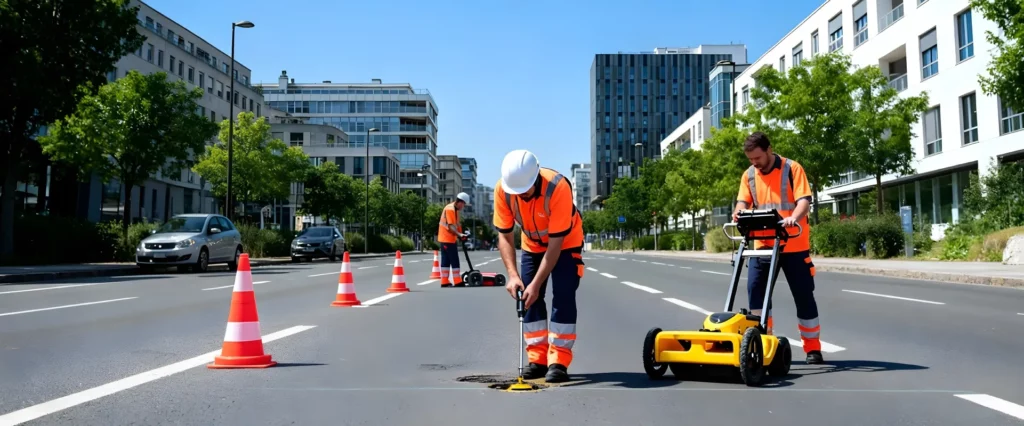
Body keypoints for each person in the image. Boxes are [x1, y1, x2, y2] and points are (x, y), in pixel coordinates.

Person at [732, 131, 824, 365]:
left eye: (758, 158)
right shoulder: (749, 175)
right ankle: (763, 345)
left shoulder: (792, 169)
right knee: (757, 297)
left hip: (794, 245)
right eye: (751, 160)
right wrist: (739, 211)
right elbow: (743, 200)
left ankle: (813, 349)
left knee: (804, 297)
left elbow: (804, 200)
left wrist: (794, 217)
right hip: (762, 244)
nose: (755, 163)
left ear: (769, 150)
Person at [494, 149, 585, 383]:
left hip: (565, 242)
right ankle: (538, 359)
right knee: (527, 296)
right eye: (517, 192)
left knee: (563, 293)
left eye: (525, 191)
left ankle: (559, 361)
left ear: (536, 179)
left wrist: (536, 283)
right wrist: (513, 276)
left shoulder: (558, 188)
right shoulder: (503, 191)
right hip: (532, 244)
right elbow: (504, 236)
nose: (521, 196)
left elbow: (555, 245)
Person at [437, 192, 472, 287]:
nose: (463, 207)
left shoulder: (455, 210)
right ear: (460, 202)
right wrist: (459, 234)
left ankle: (444, 281)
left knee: (446, 260)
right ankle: (457, 281)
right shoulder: (450, 209)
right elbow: (451, 226)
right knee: (454, 260)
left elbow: (457, 225)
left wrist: (462, 235)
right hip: (447, 238)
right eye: (464, 204)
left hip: (447, 239)